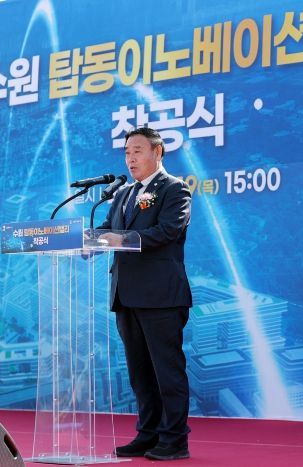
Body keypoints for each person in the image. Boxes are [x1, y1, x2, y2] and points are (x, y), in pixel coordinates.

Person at [97, 126, 192, 461]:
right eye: (126, 152)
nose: (130, 158)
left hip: (160, 296)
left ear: (157, 152)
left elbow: (167, 231)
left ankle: (174, 439)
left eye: (137, 151)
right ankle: (147, 434)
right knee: (140, 374)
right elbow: (107, 230)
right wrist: (85, 241)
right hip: (125, 296)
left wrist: (120, 239)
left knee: (167, 372)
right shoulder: (123, 193)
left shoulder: (174, 189)